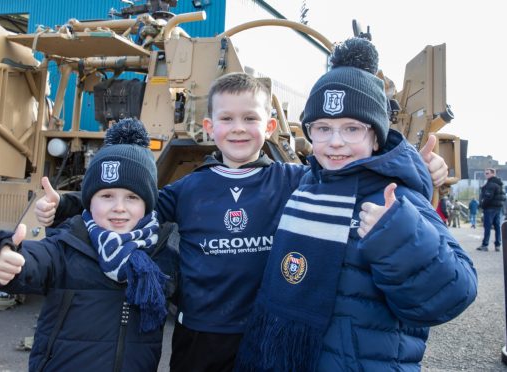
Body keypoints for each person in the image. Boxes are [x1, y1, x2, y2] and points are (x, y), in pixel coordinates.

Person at [34, 73, 448, 371]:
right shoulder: (188, 189)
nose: (239, 129)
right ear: (209, 128)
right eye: (227, 120)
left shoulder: (294, 180)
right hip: (200, 332)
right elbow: (130, 208)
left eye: (250, 119)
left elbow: (350, 175)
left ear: (268, 127)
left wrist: (418, 166)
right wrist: (68, 206)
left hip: (263, 331)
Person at [235, 37, 477, 372]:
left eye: (352, 128)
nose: (335, 142)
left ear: (376, 136)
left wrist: (398, 236)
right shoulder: (306, 185)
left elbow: (453, 294)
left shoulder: (395, 198)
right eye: (323, 128)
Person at [0, 119, 173, 371]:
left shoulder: (161, 253)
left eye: (132, 197)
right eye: (106, 195)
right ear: (88, 201)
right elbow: (35, 260)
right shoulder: (67, 245)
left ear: (148, 204)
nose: (119, 207)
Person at [477, 168, 506, 251]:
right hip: (498, 208)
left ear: (493, 174)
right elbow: (503, 197)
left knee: (487, 227)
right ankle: (497, 245)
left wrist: (482, 205)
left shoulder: (491, 184)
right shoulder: (500, 184)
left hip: (490, 208)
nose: (485, 175)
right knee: (497, 227)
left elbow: (488, 197)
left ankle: (485, 245)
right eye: (485, 173)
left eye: (487, 173)